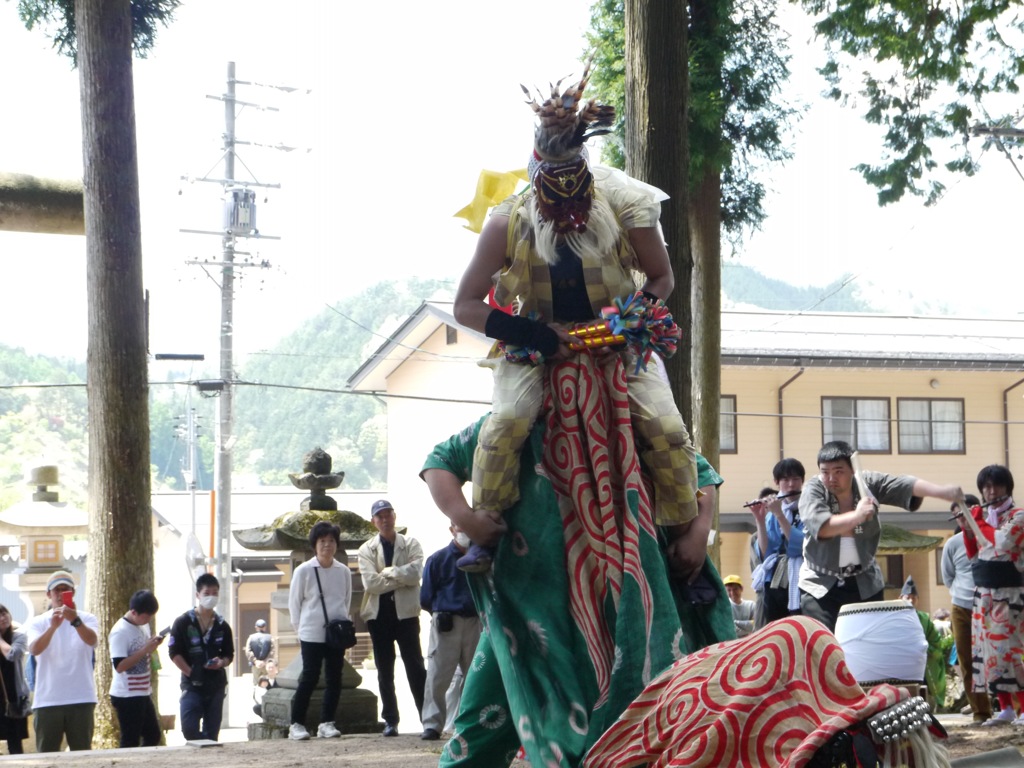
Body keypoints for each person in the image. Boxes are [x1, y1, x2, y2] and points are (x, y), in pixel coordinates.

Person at [450, 62, 699, 572]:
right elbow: (466, 306)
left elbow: (662, 279)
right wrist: (537, 335)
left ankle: (683, 530)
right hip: (536, 338)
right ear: (536, 179)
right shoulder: (506, 220)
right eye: (553, 195)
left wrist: (625, 323)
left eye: (577, 194)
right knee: (508, 420)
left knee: (667, 427)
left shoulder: (628, 201)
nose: (568, 212)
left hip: (621, 336)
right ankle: (486, 525)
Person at [421, 405, 733, 768]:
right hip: (524, 612)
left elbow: (699, 472)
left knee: (649, 716)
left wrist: (697, 533)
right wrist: (466, 519)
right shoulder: (513, 424)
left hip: (635, 605)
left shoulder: (636, 420)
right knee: (481, 723)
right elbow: (438, 462)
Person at [798, 440, 962, 632]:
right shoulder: (813, 490)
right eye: (825, 472)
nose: (831, 478)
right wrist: (857, 515)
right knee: (824, 642)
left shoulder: (866, 483)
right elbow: (823, 527)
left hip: (863, 580)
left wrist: (942, 492)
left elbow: (903, 484)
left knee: (867, 642)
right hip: (820, 583)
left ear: (852, 470)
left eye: (838, 471)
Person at [959, 465, 1024, 727]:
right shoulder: (983, 517)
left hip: (1009, 593)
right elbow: (974, 555)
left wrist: (978, 522)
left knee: (1010, 650)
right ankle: (1005, 707)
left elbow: (1002, 543)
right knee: (988, 652)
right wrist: (967, 528)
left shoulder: (1018, 516)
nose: (991, 491)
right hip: (983, 593)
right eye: (985, 487)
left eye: (996, 485)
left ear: (1008, 488)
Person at [358, 499, 427, 737]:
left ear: (394, 516)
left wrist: (388, 572)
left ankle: (427, 717)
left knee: (416, 666)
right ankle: (390, 720)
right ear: (373, 521)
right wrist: (401, 577)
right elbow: (371, 584)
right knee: (384, 669)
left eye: (388, 514)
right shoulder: (366, 549)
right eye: (380, 516)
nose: (385, 519)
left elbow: (417, 571)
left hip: (407, 614)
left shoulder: (410, 543)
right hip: (379, 616)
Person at [287, 520, 351, 741]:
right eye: (322, 541)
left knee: (335, 678)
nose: (327, 545)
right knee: (310, 677)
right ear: (315, 544)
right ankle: (296, 723)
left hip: (336, 634)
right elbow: (294, 603)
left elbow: (346, 600)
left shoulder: (343, 571)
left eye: (331, 541)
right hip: (311, 632)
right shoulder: (304, 571)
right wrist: (300, 630)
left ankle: (327, 722)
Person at [418, 523, 481, 741]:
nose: (463, 530)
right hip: (445, 622)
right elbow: (425, 597)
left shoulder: (480, 558)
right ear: (451, 529)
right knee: (438, 675)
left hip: (475, 621)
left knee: (475, 675)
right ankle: (432, 725)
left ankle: (471, 723)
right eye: (459, 526)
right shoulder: (437, 559)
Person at [25, 569, 99, 752]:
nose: (60, 594)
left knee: (82, 754)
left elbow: (93, 641)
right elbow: (34, 649)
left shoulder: (87, 618)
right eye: (56, 590)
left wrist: (75, 621)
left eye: (65, 589)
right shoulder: (38, 622)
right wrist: (52, 628)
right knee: (46, 755)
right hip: (47, 700)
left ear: (72, 593)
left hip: (81, 697)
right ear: (48, 594)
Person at [940, 495, 992, 724]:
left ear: (976, 510)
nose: (961, 519)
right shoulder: (952, 543)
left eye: (964, 513)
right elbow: (948, 576)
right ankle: (980, 711)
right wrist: (961, 593)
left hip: (990, 605)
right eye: (957, 516)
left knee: (999, 659)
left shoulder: (989, 535)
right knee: (966, 660)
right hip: (961, 606)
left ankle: (1016, 709)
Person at [167, 573, 234, 741]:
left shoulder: (222, 626)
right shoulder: (183, 622)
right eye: (207, 593)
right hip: (192, 684)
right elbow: (174, 652)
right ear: (198, 595)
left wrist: (221, 662)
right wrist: (191, 672)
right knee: (189, 728)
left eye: (215, 593)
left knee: (212, 733)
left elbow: (228, 654)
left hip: (216, 684)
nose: (211, 597)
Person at [749, 458, 806, 625]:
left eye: (796, 479)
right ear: (777, 482)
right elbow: (766, 552)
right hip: (774, 579)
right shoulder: (773, 509)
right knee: (774, 628)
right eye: (785, 480)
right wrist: (760, 519)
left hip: (800, 577)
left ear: (802, 481)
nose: (791, 485)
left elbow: (801, 546)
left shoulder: (808, 506)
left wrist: (780, 515)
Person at [108, 589, 163, 748]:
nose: (148, 619)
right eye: (146, 616)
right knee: (130, 739)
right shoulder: (120, 632)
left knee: (153, 735)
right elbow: (119, 666)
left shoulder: (143, 625)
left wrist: (151, 646)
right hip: (127, 694)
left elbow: (143, 650)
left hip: (143, 691)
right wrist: (145, 650)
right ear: (133, 612)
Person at [899, 576, 947, 709]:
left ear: (918, 600)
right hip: (902, 664)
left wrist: (925, 649)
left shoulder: (925, 619)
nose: (911, 600)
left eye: (914, 598)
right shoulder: (894, 618)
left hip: (923, 664)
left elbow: (936, 643)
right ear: (900, 598)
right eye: (907, 597)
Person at [0, 604, 29, 754]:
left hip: (13, 699)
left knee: (15, 743)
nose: (3, 618)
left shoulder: (19, 636)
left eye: (4, 613)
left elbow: (13, 654)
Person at [244, 618, 277, 687]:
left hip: (255, 665)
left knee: (256, 684)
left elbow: (248, 651)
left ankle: (257, 697)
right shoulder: (270, 637)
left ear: (256, 628)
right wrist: (265, 661)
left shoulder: (251, 637)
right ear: (265, 627)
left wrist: (256, 661)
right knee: (267, 683)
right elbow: (272, 651)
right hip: (266, 665)